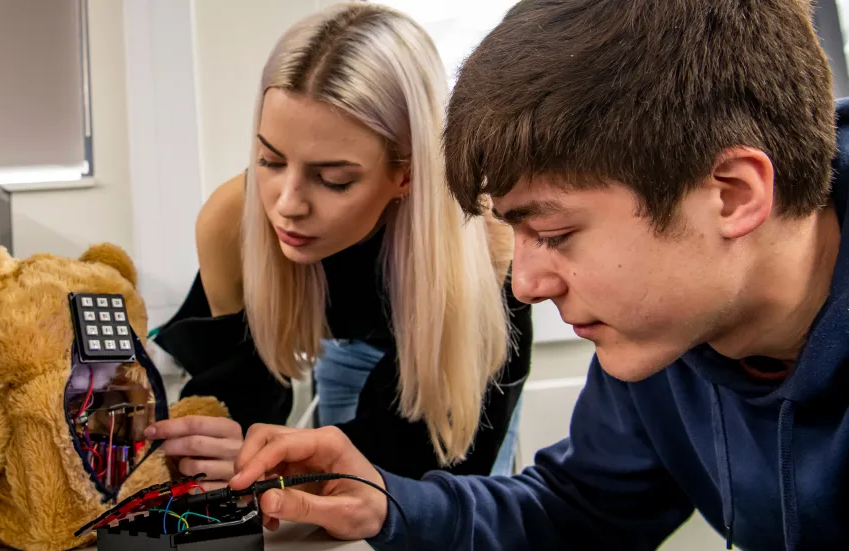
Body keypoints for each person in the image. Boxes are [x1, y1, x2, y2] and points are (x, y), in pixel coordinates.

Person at [226, 0, 849, 550]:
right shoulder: (661, 333)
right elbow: (575, 511)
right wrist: (389, 503)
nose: (525, 284)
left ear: (734, 196)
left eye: (554, 235)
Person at [145, 1, 533, 487]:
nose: (286, 205)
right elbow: (241, 399)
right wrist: (227, 445)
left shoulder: (485, 242)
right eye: (270, 160)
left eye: (332, 179)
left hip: (446, 347)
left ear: (406, 173)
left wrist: (294, 463)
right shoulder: (231, 224)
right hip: (347, 344)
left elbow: (436, 471)